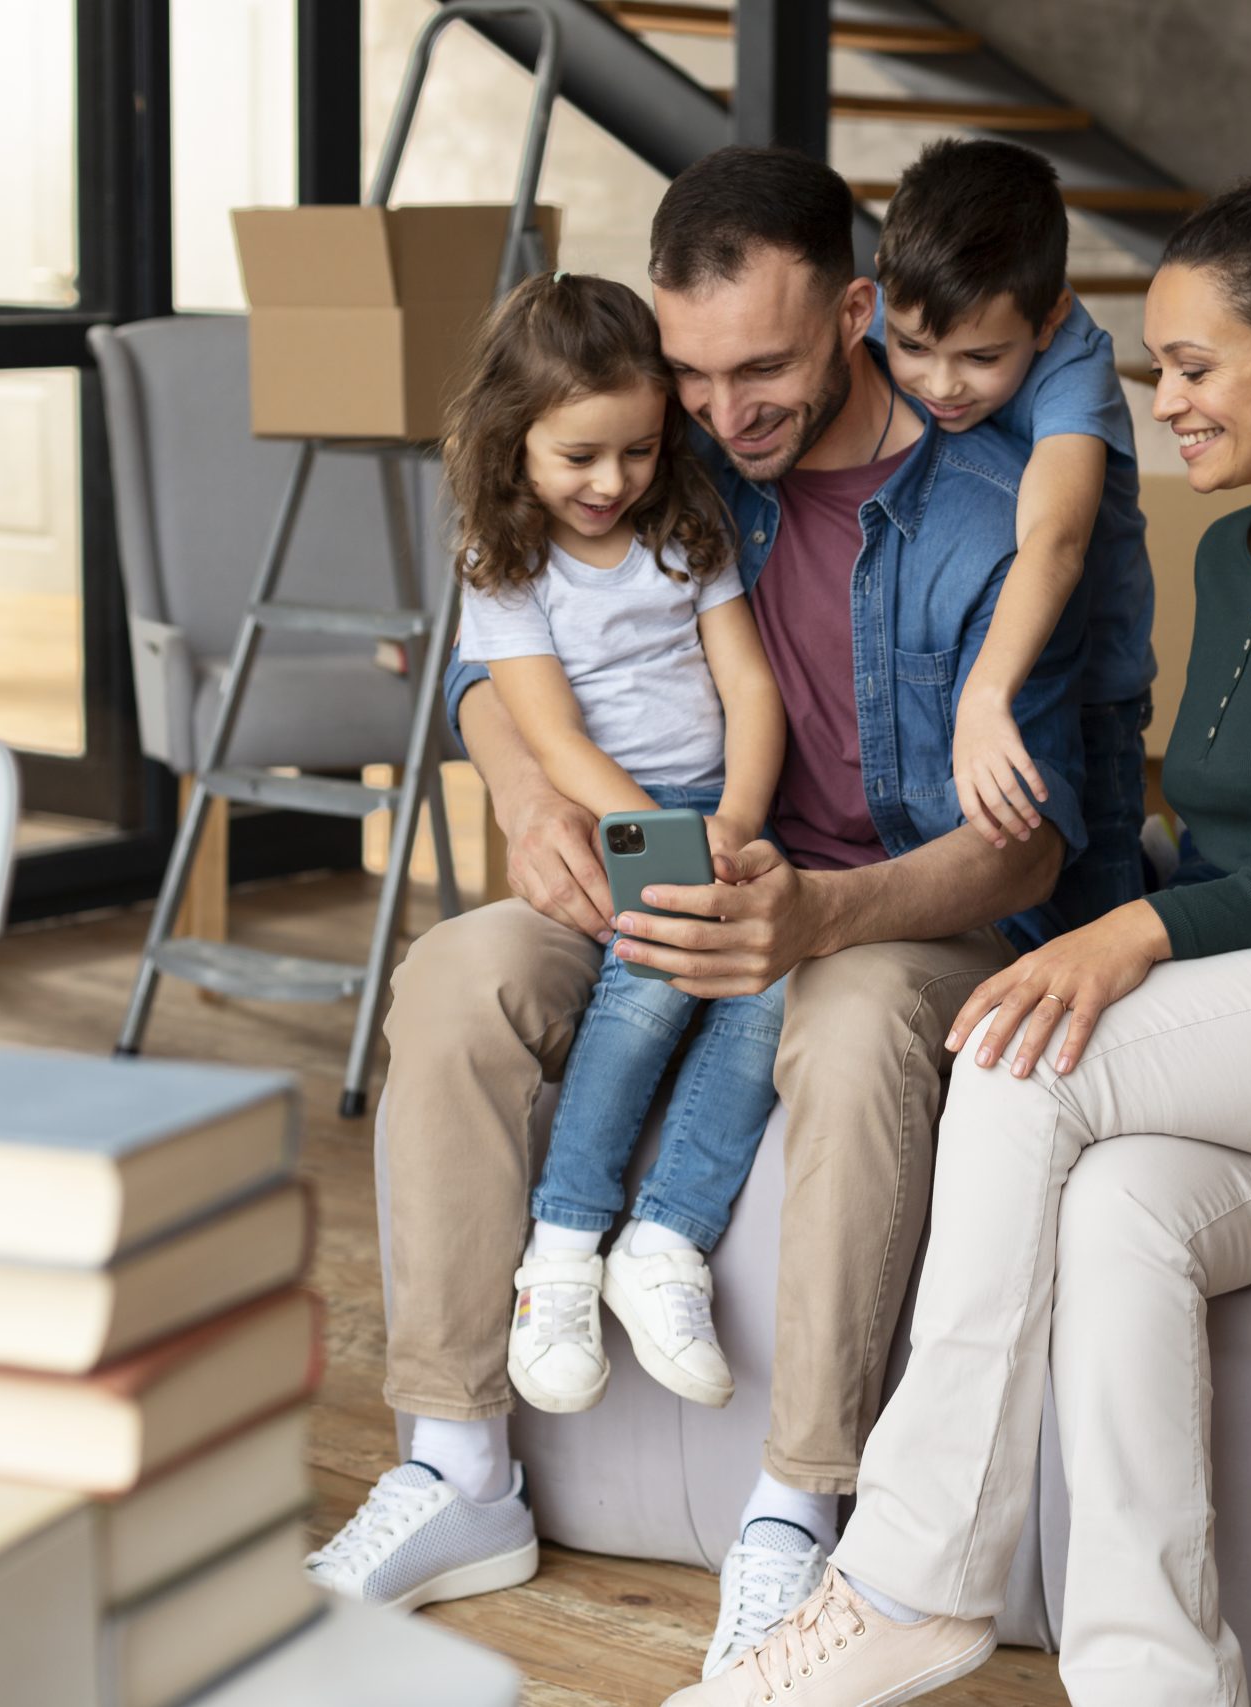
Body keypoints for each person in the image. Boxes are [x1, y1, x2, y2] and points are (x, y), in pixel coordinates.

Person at [669, 162, 1251, 1707]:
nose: (1156, 400)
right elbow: (1246, 839)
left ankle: (909, 1573)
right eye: (1155, 364)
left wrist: (1129, 937)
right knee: (1123, 1213)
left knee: (1025, 1057)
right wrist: (1137, 911)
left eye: (1192, 366)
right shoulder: (1232, 555)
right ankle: (1153, 1677)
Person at [324, 146, 1123, 1681]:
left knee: (854, 1016)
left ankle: (796, 1515)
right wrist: (527, 790)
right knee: (458, 972)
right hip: (668, 873)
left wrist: (824, 912)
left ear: (857, 315)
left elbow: (1032, 849)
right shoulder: (671, 472)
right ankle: (455, 1464)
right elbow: (501, 654)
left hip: (891, 904)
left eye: (761, 367)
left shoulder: (986, 518)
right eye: (689, 373)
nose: (720, 410)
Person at [441, 273, 786, 1426]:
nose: (611, 482)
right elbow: (549, 733)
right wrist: (665, 837)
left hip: (722, 807)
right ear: (513, 440)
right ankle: (562, 1251)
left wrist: (736, 816)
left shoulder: (686, 531)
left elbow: (747, 682)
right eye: (579, 456)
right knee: (645, 994)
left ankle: (667, 1241)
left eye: (637, 451)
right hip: (619, 813)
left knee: (763, 989)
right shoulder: (506, 566)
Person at [872, 138, 1154, 922]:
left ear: (1050, 314)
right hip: (949, 661)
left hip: (1091, 689)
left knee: (1088, 910)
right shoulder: (884, 313)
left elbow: (1056, 537)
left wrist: (983, 696)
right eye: (912, 347)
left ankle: (1144, 870)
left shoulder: (1075, 364)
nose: (940, 383)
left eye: (981, 357)